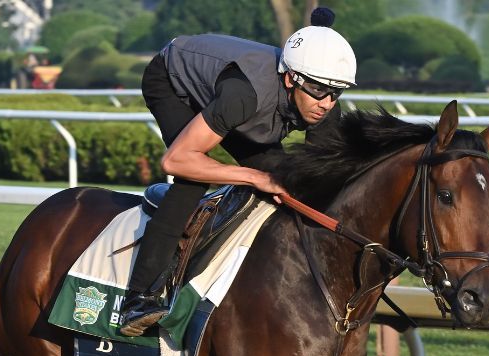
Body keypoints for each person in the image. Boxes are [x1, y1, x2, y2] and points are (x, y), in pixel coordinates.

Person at [118, 7, 357, 337]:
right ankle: (138, 299)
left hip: (234, 104)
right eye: (318, 91)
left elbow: (323, 183)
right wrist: (254, 176)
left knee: (289, 182)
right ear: (291, 78)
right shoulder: (243, 95)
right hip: (175, 83)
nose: (326, 103)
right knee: (192, 181)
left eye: (336, 93)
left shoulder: (323, 100)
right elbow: (176, 161)